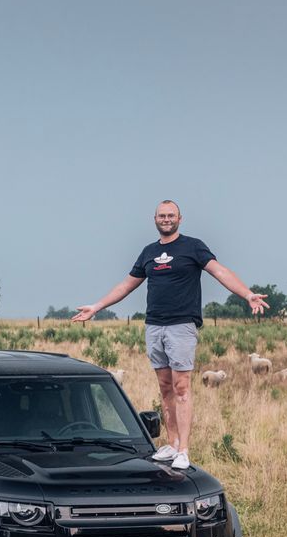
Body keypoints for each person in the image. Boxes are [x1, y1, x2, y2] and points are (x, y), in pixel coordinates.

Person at [71, 200, 268, 470]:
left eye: (171, 215)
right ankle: (172, 444)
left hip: (181, 326)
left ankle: (184, 450)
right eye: (162, 216)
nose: (166, 219)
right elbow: (127, 285)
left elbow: (219, 271)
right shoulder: (149, 252)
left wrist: (247, 294)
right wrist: (96, 306)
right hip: (154, 326)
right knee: (165, 389)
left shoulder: (193, 247)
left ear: (179, 219)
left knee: (182, 388)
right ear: (155, 219)